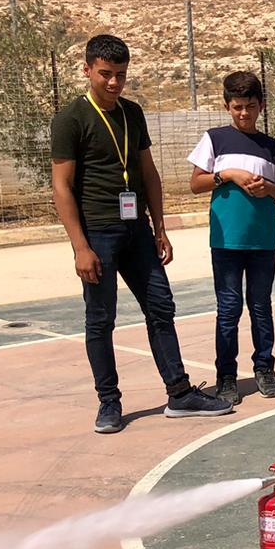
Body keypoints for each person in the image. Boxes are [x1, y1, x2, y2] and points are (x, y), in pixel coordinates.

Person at [50, 34, 231, 434]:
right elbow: (61, 186)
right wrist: (80, 247)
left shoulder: (132, 113)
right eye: (105, 75)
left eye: (120, 75)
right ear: (87, 70)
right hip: (97, 233)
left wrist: (159, 228)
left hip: (138, 232)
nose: (114, 83)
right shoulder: (70, 119)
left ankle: (180, 393)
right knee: (100, 319)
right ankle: (108, 402)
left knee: (161, 307)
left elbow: (148, 173)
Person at [187, 70, 275, 407]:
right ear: (227, 106)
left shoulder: (271, 147)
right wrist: (226, 174)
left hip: (263, 242)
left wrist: (268, 188)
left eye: (249, 106)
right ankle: (226, 376)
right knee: (228, 309)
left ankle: (264, 368)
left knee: (261, 307)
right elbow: (196, 183)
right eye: (237, 107)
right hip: (226, 242)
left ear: (260, 105)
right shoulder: (215, 139)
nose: (244, 113)